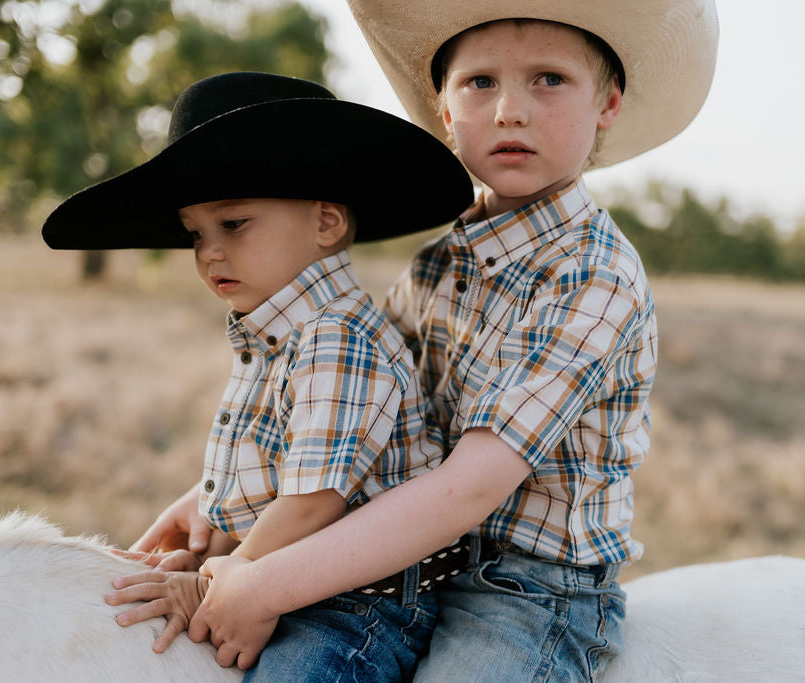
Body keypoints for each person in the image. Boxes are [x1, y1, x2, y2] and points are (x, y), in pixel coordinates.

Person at [127, 1, 719, 679]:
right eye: (479, 83)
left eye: (549, 79)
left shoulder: (594, 276)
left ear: (607, 105)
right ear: (443, 112)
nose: (509, 111)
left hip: (528, 587)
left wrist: (260, 584)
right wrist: (214, 502)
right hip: (409, 560)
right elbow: (355, 417)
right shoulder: (436, 267)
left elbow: (469, 489)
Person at [41, 71, 474, 680]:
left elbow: (312, 502)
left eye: (233, 224)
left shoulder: (338, 336)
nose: (208, 252)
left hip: (357, 603)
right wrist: (207, 553)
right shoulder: (273, 335)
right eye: (195, 233)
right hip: (274, 570)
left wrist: (221, 583)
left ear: (326, 223)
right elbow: (263, 475)